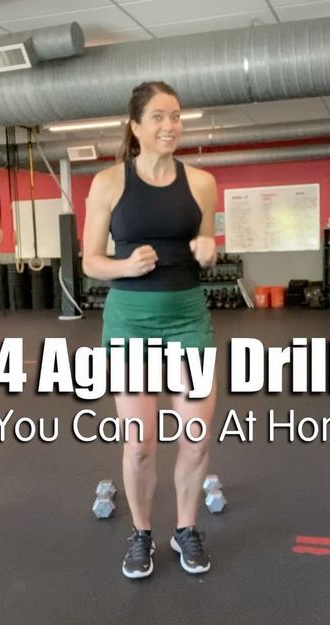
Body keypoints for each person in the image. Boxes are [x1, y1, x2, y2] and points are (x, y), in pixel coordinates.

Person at [82, 81, 218, 579]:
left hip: (187, 319)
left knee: (197, 438)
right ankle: (141, 533)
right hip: (130, 322)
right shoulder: (108, 183)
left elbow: (204, 238)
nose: (170, 126)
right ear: (136, 126)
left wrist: (208, 246)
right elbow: (91, 262)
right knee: (140, 444)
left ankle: (185, 528)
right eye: (159, 117)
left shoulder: (201, 182)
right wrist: (125, 266)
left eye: (176, 116)